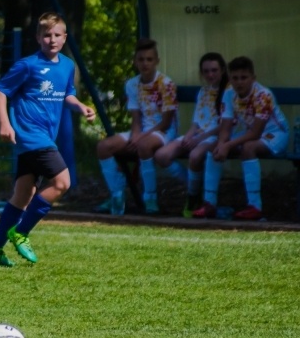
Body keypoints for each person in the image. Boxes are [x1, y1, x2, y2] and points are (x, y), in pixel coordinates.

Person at [0, 12, 95, 267]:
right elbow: (0, 89)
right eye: (46, 35)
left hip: (44, 136)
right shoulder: (28, 65)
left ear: (65, 38)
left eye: (57, 35)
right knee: (62, 182)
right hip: (31, 134)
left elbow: (67, 95)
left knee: (23, 194)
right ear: (38, 38)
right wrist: (4, 123)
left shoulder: (66, 66)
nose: (51, 39)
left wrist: (81, 107)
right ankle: (21, 232)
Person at [192, 56, 289, 220]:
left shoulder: (263, 95)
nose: (239, 82)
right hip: (248, 132)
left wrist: (228, 145)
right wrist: (222, 144)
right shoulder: (229, 94)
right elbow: (226, 125)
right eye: (235, 78)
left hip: (275, 134)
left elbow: (256, 133)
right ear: (230, 78)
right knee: (213, 146)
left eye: (244, 78)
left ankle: (254, 206)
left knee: (248, 148)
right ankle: (209, 203)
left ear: (253, 78)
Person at [94, 38, 180, 215]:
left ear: (157, 61)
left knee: (144, 145)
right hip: (143, 131)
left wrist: (140, 137)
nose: (144, 63)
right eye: (141, 59)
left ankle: (150, 198)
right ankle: (116, 196)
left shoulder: (166, 84)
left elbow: (166, 122)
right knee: (104, 147)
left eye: (149, 59)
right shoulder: (132, 84)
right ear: (135, 61)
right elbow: (136, 117)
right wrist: (135, 134)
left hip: (163, 132)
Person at [154, 52, 227, 217]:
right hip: (198, 135)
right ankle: (192, 184)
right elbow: (197, 121)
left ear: (222, 70)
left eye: (214, 70)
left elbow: (226, 125)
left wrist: (198, 139)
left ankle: (193, 197)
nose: (210, 74)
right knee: (161, 155)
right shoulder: (203, 92)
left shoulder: (229, 92)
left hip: (216, 137)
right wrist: (188, 135)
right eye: (206, 71)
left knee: (195, 155)